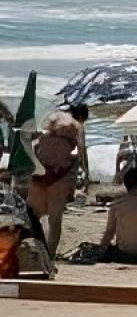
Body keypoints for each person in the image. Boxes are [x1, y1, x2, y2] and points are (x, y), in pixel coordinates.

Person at [28, 104, 87, 257]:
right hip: (59, 173)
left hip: (39, 171)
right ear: (81, 117)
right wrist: (86, 173)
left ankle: (35, 250)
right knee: (55, 218)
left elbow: (34, 141)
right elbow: (81, 149)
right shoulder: (77, 125)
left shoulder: (51, 117)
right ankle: (50, 254)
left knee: (36, 215)